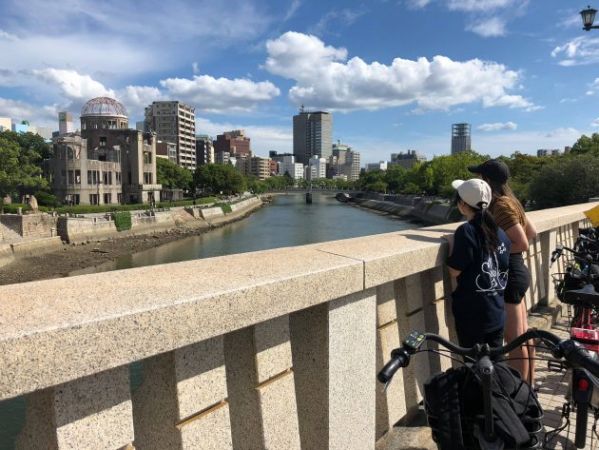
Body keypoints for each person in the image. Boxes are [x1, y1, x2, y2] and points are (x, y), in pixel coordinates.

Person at [468, 159, 538, 385]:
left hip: (511, 275)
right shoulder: (512, 201)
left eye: (480, 177)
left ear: (487, 180)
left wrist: (497, 252)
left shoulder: (500, 205)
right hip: (517, 272)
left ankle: (522, 396)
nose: (478, 181)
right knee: (524, 336)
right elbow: (532, 232)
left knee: (514, 340)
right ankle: (529, 390)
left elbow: (522, 242)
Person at [445, 178, 512, 349]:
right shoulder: (501, 233)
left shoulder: (466, 231)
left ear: (462, 204)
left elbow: (454, 270)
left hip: (472, 315)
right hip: (496, 311)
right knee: (495, 364)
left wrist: (452, 244)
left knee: (474, 367)